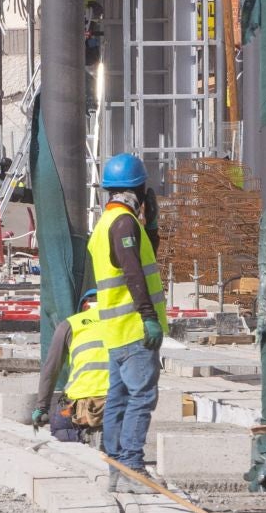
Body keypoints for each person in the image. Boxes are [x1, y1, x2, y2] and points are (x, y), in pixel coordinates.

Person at [89, 152, 167, 486]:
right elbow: (133, 271)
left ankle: (115, 471)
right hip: (135, 329)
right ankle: (132, 466)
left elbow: (138, 255)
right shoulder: (123, 223)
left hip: (116, 331)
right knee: (141, 398)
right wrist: (149, 317)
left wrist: (150, 227)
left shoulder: (109, 222)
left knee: (119, 400)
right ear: (138, 189)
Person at [30, 287, 109, 444]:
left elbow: (51, 369)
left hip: (86, 401)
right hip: (121, 399)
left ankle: (86, 436)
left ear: (84, 306)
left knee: (59, 426)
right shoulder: (120, 323)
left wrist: (42, 407)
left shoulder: (71, 324)